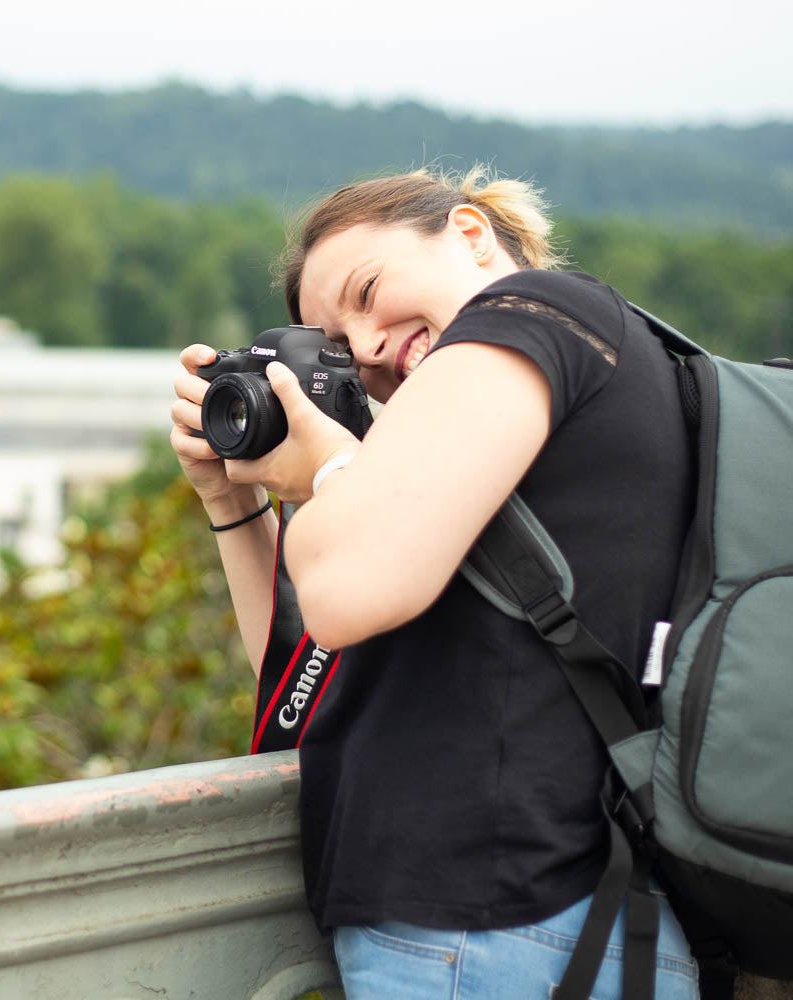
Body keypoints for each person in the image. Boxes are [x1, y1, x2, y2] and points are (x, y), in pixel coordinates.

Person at [170, 167, 700, 999]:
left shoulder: (532, 316)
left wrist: (334, 468)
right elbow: (310, 674)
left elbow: (345, 591)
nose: (370, 345)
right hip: (578, 926)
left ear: (470, 233)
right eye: (340, 347)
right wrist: (233, 501)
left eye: (369, 290)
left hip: (489, 928)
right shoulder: (549, 403)